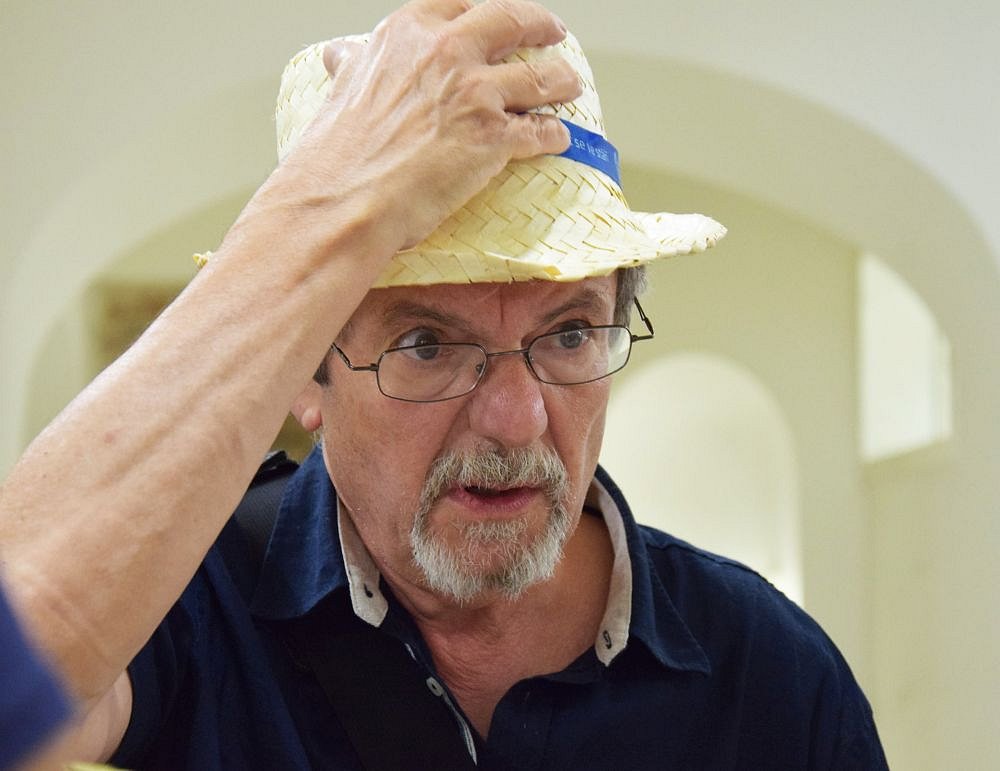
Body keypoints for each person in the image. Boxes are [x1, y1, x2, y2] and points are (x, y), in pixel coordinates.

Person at [0, 0, 888, 767]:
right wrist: (320, 214)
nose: (516, 417)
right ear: (307, 373)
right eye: (427, 343)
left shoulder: (772, 677)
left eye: (570, 333)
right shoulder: (189, 608)